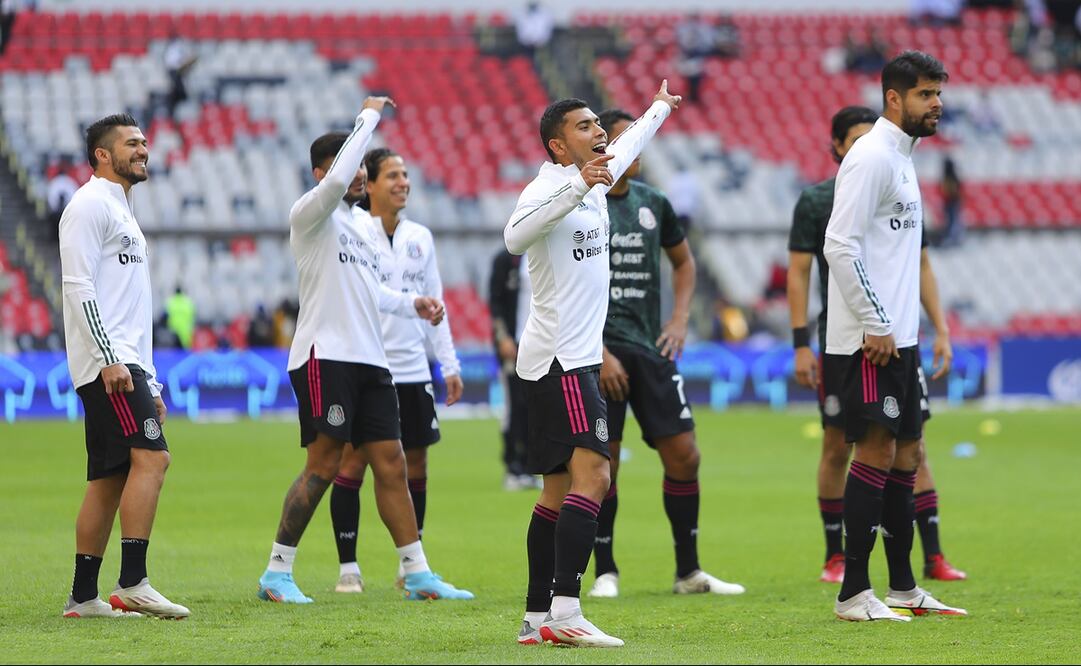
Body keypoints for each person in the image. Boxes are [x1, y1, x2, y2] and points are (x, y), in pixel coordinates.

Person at [256, 97, 472, 604]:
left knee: (393, 463)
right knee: (324, 465)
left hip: (372, 362)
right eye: (348, 164)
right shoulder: (310, 213)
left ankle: (416, 572)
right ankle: (277, 572)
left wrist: (412, 303)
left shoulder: (361, 229)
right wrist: (368, 117)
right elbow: (337, 183)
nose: (357, 174)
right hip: (325, 356)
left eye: (358, 165)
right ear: (322, 172)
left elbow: (372, 292)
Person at [507, 80, 680, 648]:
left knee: (557, 490)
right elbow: (514, 238)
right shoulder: (548, 186)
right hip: (565, 359)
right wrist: (579, 184)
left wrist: (658, 108)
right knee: (597, 476)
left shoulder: (599, 177)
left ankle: (536, 617)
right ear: (558, 146)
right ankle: (566, 609)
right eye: (585, 126)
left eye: (598, 124)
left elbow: (629, 147)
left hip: (561, 359)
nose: (599, 131)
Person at [787, 105, 968, 588]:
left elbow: (920, 263)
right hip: (853, 339)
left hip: (899, 336)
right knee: (844, 446)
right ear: (837, 146)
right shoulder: (818, 200)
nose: (867, 146)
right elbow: (803, 271)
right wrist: (800, 342)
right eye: (855, 139)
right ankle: (840, 561)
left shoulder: (899, 173)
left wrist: (940, 328)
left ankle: (926, 562)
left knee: (911, 446)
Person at [822, 51, 965, 621]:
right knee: (877, 452)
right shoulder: (872, 157)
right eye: (926, 94)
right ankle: (854, 592)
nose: (937, 104)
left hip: (899, 337)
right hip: (869, 338)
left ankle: (904, 587)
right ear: (894, 98)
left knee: (907, 454)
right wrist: (876, 322)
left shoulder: (903, 157)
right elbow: (840, 245)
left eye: (938, 93)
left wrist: (907, 328)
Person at [586, 108, 744, 600]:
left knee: (684, 455)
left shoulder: (654, 202)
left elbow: (684, 262)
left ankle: (688, 572)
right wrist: (598, 350)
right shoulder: (583, 203)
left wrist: (678, 319)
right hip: (598, 352)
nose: (637, 149)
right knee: (604, 466)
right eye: (626, 139)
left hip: (649, 346)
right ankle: (605, 571)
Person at [58, 113, 189, 619]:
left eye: (144, 142)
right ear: (102, 155)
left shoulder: (122, 210)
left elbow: (132, 307)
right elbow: (78, 286)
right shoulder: (89, 204)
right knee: (154, 459)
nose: (143, 149)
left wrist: (149, 380)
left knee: (110, 476)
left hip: (124, 362)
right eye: (131, 143)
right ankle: (133, 581)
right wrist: (110, 358)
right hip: (108, 363)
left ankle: (83, 597)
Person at [327, 147, 465, 594]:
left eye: (405, 174)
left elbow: (435, 302)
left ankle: (411, 565)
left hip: (413, 369)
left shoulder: (420, 237)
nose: (403, 182)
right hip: (368, 365)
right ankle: (348, 566)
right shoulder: (353, 229)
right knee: (353, 462)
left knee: (416, 463)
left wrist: (448, 364)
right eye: (392, 175)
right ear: (369, 184)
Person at [489, 247, 536, 490]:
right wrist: (503, 337)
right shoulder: (506, 259)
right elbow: (495, 302)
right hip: (513, 345)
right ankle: (512, 466)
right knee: (513, 406)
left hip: (537, 345)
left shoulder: (545, 252)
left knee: (534, 408)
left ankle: (529, 466)